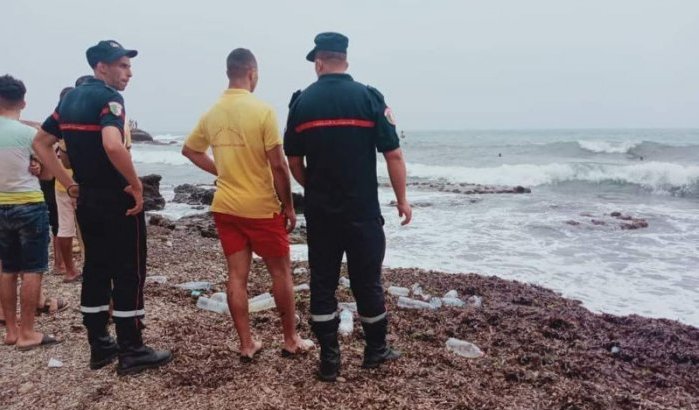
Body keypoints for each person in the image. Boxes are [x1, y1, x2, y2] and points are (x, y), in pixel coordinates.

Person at [33, 40, 172, 375]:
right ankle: (132, 348)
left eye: (129, 66)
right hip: (116, 199)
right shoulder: (110, 99)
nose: (129, 73)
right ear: (101, 67)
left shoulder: (68, 100)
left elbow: (40, 142)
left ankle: (99, 344)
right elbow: (113, 144)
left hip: (88, 198)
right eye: (123, 66)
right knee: (129, 270)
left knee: (95, 268)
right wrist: (136, 185)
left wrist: (68, 183)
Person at [284, 32, 412, 382]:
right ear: (346, 60)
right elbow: (394, 154)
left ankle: (330, 361)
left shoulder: (302, 103)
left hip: (323, 213)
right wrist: (402, 199)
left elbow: (293, 158)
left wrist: (312, 185)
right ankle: (375, 351)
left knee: (322, 283)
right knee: (367, 281)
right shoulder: (369, 98)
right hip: (362, 212)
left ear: (319, 62)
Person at [182, 48, 313, 361]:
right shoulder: (263, 111)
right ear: (252, 73)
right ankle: (291, 340)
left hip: (226, 206)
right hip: (261, 207)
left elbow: (190, 150)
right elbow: (279, 165)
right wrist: (289, 206)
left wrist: (222, 171)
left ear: (230, 72)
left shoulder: (212, 112)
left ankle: (246, 343)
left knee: (236, 277)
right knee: (280, 274)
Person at [0, 74, 59, 349]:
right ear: (23, 101)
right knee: (33, 269)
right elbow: (48, 174)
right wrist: (37, 168)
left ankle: (11, 331)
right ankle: (27, 333)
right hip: (29, 204)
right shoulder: (30, 134)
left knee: (8, 269)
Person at [53, 86, 81, 283]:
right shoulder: (79, 121)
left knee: (65, 227)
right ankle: (85, 267)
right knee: (84, 228)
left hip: (61, 182)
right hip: (80, 183)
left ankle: (66, 268)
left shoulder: (55, 124)